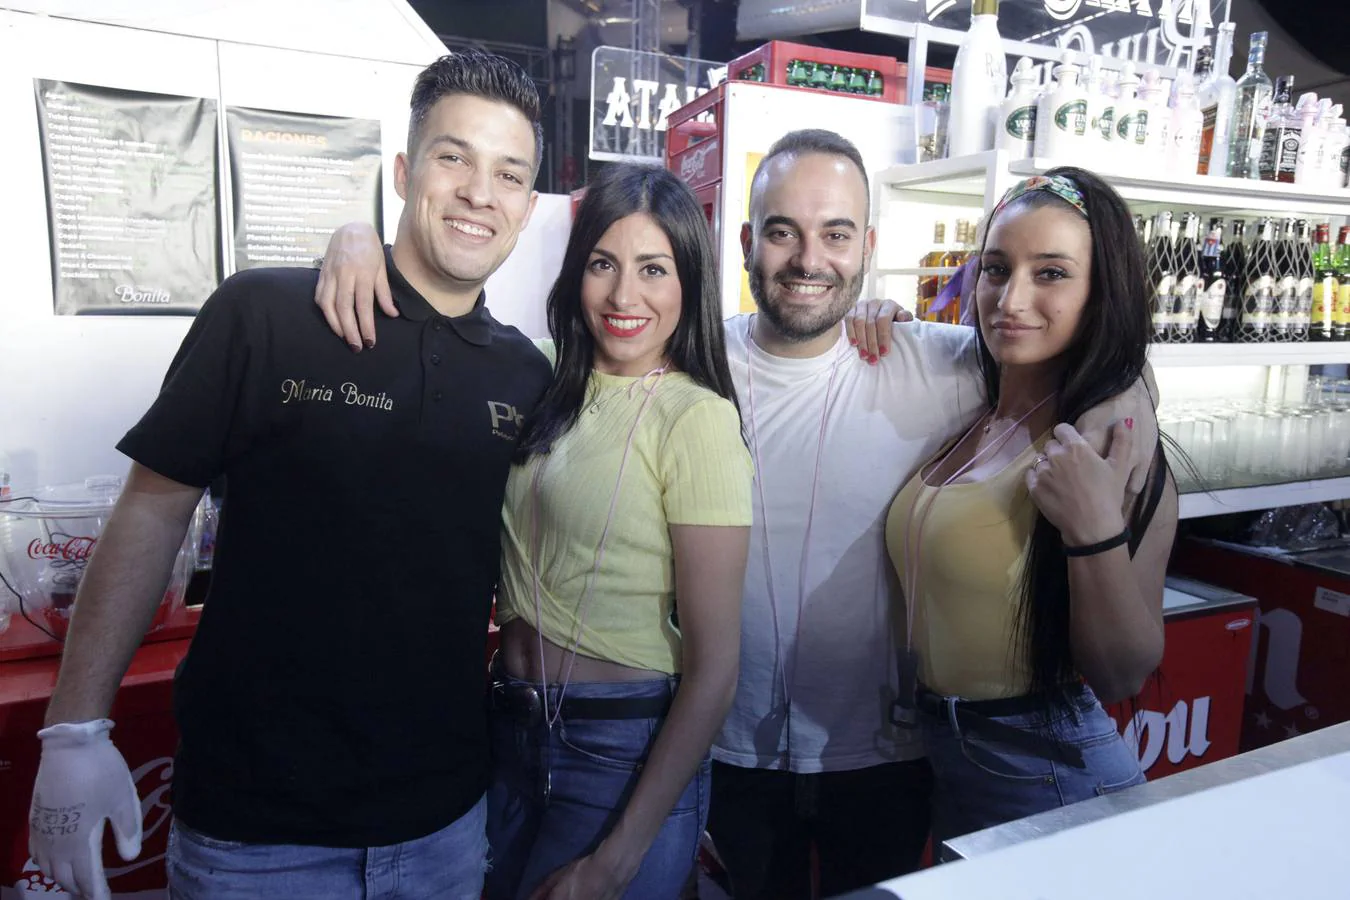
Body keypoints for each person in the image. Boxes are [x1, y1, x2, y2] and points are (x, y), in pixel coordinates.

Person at [315, 131, 1158, 899]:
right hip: (727, 755)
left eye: (835, 234)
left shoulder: (934, 361)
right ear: (745, 241)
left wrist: (1126, 407)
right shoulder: (689, 358)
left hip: (887, 757)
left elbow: (1096, 357)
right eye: (783, 229)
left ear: (868, 249)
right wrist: (364, 243)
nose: (807, 258)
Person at [26, 49, 552, 900]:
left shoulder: (526, 375)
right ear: (403, 170)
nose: (478, 192)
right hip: (254, 836)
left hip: (445, 826)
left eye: (509, 173)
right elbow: (151, 514)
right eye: (453, 157)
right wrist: (74, 730)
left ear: (528, 205)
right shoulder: (264, 314)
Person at [884, 169, 1177, 854]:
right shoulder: (975, 414)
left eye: (1051, 273)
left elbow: (1124, 672)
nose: (1011, 299)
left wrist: (1093, 527)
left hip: (1045, 764)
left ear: (1100, 294)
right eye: (995, 269)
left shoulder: (1107, 448)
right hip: (947, 755)